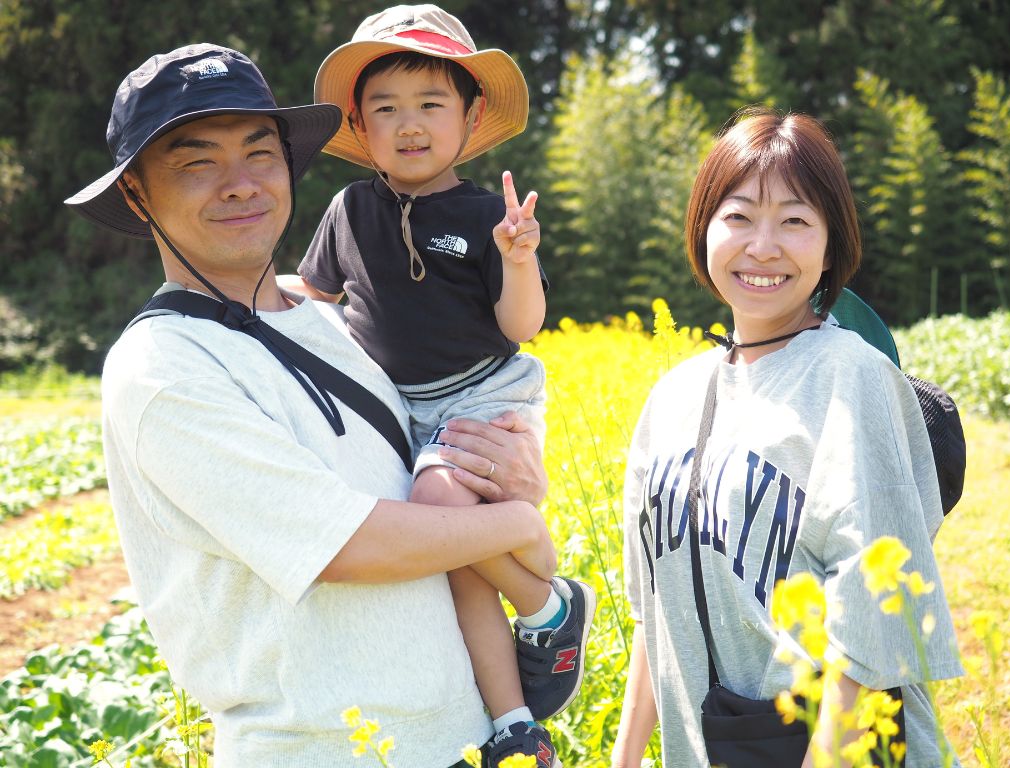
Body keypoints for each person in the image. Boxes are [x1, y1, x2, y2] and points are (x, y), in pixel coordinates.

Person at [65, 43, 561, 768]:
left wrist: (512, 478)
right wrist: (519, 528)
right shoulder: (163, 368)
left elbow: (439, 454)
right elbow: (348, 545)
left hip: (464, 738)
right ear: (137, 194)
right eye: (197, 162)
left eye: (260, 155)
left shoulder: (333, 322)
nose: (240, 185)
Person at [282, 6, 595, 765]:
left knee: (439, 511)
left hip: (482, 395)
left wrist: (518, 260)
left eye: (431, 104)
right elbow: (316, 297)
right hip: (397, 413)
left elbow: (521, 325)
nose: (409, 123)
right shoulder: (349, 210)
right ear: (360, 123)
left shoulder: (486, 215)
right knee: (453, 559)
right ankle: (514, 724)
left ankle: (545, 604)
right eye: (386, 108)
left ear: (470, 115)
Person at [611, 110, 963, 767]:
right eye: (739, 216)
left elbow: (871, 631)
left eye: (795, 221)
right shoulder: (672, 399)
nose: (762, 246)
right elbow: (655, 622)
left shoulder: (853, 378)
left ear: (831, 245)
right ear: (704, 228)